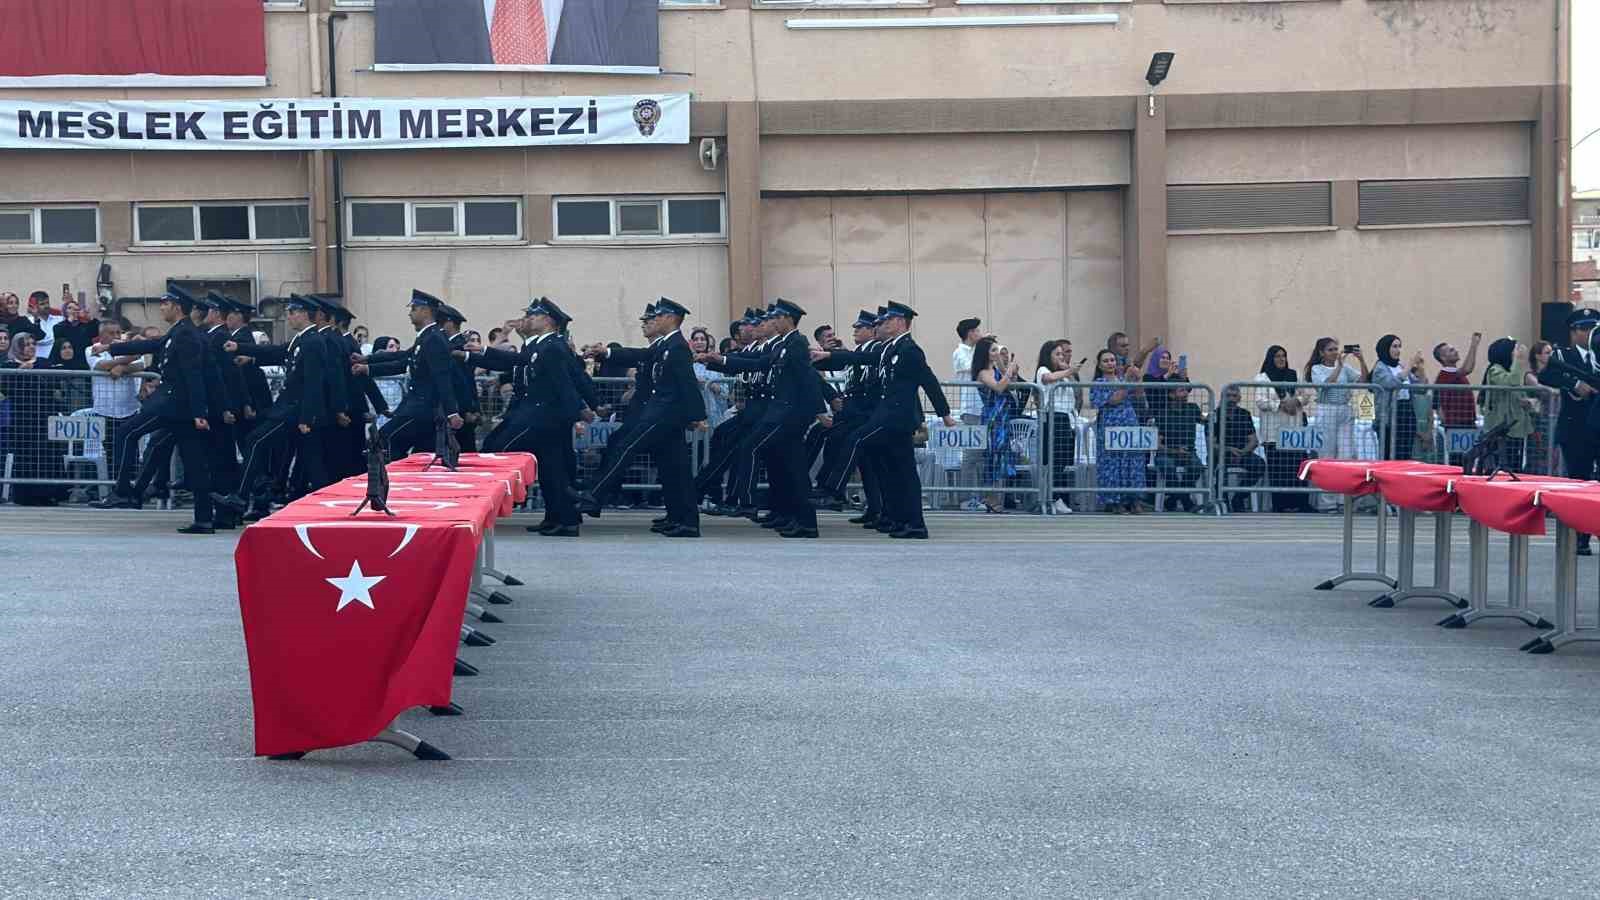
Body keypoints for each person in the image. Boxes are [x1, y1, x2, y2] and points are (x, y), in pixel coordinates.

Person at [814, 301, 955, 539]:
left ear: (901, 323)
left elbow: (929, 381)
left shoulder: (910, 350)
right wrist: (826, 355)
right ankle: (900, 519)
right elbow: (860, 359)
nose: (883, 324)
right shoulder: (889, 348)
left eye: (888, 320)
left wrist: (945, 414)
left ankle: (832, 489)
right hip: (886, 415)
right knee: (895, 471)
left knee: (858, 441)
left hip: (896, 418)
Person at [88, 286, 216, 533]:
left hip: (174, 403)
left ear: (177, 307)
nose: (162, 307)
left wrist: (200, 412)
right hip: (179, 406)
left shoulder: (186, 334)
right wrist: (110, 347)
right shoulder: (179, 332)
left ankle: (123, 492)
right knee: (193, 461)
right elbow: (153, 344)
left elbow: (194, 376)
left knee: (126, 431)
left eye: (166, 303)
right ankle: (203, 519)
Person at [579, 298, 707, 536]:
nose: (654, 320)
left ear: (670, 319)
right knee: (674, 469)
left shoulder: (677, 346)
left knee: (627, 447)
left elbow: (688, 384)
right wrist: (606, 352)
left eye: (659, 316)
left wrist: (698, 416)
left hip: (665, 414)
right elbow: (637, 354)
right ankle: (684, 520)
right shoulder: (664, 345)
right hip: (662, 414)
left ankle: (593, 494)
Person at [698, 298, 822, 538]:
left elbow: (809, 379)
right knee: (788, 468)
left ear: (787, 319)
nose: (772, 321)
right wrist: (721, 360)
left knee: (754, 449)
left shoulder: (797, 343)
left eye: (776, 317)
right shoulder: (781, 345)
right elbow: (758, 363)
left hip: (789, 415)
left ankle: (745, 500)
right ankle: (794, 517)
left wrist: (817, 411)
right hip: (780, 413)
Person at [470, 298, 586, 536]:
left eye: (534, 315)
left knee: (501, 450)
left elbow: (566, 383)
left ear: (548, 321)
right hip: (537, 414)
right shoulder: (539, 346)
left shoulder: (553, 346)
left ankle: (569, 512)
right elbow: (517, 362)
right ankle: (561, 518)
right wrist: (479, 353)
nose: (528, 319)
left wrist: (578, 415)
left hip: (544, 416)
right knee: (552, 469)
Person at [211, 295, 330, 521]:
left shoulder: (313, 341)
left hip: (294, 410)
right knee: (312, 460)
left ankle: (241, 497)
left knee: (255, 440)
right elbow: (276, 352)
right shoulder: (301, 340)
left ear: (305, 314)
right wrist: (241, 349)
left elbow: (315, 383)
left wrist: (307, 417)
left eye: (292, 312)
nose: (289, 317)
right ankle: (324, 506)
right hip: (290, 408)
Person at [360, 290, 463, 459]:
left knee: (386, 438)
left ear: (425, 311)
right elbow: (402, 360)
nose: (410, 313)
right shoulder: (426, 337)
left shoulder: (434, 338)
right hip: (416, 405)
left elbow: (442, 377)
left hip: (422, 407)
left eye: (414, 309)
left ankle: (393, 480)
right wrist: (368, 364)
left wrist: (452, 412)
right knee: (422, 453)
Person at [812, 309, 884, 521]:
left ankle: (832, 487)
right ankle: (874, 509)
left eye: (860, 327)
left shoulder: (875, 350)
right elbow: (844, 361)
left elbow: (859, 367)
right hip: (854, 410)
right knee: (865, 464)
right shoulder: (862, 350)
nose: (855, 331)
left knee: (843, 440)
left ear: (872, 331)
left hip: (865, 413)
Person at [1538, 308, 1600, 553]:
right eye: (1585, 329)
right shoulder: (1562, 356)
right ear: (1574, 332)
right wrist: (1575, 384)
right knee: (1580, 483)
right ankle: (1580, 538)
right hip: (1576, 429)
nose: (1590, 333)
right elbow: (1546, 374)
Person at [1252, 345, 1314, 512]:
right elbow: (1260, 401)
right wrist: (1281, 405)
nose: (1281, 359)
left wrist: (1296, 402)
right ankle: (1281, 504)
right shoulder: (1262, 378)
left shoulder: (1294, 375)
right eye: (1277, 356)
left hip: (1295, 430)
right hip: (1273, 432)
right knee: (1279, 469)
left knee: (1298, 466)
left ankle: (1301, 503)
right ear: (1270, 359)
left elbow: (1306, 394)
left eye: (1284, 356)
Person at [88, 320, 147, 485]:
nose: (116, 336)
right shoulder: (91, 349)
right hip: (104, 409)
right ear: (102, 335)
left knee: (130, 449)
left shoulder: (126, 346)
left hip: (129, 408)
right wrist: (124, 362)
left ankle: (131, 487)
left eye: (118, 332)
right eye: (112, 333)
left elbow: (141, 364)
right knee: (111, 450)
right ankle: (115, 486)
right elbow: (100, 365)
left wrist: (122, 368)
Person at [1090, 349, 1145, 514]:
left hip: (1130, 424)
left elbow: (1139, 394)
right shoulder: (1098, 383)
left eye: (1112, 360)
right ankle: (1114, 501)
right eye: (1106, 361)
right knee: (1112, 463)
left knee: (1133, 462)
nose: (1110, 363)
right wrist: (1127, 380)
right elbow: (1114, 400)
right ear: (1099, 365)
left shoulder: (1123, 379)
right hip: (1110, 426)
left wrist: (1137, 377)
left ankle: (1134, 500)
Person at [971, 337, 1020, 514]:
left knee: (1003, 457)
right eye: (993, 351)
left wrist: (1009, 370)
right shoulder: (983, 372)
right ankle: (990, 497)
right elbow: (998, 388)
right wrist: (1008, 373)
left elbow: (1010, 385)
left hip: (1004, 417)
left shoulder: (996, 368)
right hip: (993, 417)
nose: (996, 354)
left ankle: (996, 497)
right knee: (993, 456)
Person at [1035, 339, 1084, 515]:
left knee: (1064, 462)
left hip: (1067, 419)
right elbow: (1047, 379)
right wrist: (1068, 370)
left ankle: (1061, 497)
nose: (1061, 357)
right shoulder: (1044, 369)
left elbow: (1076, 390)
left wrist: (1068, 371)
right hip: (1053, 417)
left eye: (1062, 354)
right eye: (1057, 354)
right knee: (1054, 461)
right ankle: (1053, 498)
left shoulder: (1063, 372)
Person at [1305, 337, 1368, 461]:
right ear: (1322, 353)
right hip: (1327, 408)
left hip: (1344, 409)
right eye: (1330, 350)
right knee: (1327, 450)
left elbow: (1363, 380)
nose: (1334, 352)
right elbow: (1327, 384)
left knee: (1347, 451)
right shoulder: (1316, 369)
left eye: (1336, 349)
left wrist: (1361, 360)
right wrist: (1339, 367)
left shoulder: (1345, 367)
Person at [1481, 337, 1536, 472]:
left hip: (1516, 427)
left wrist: (1528, 402)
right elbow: (1511, 382)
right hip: (1501, 427)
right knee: (1501, 466)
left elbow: (1518, 391)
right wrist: (1518, 361)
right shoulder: (1494, 369)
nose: (1516, 353)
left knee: (1515, 465)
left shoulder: (1513, 369)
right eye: (1514, 350)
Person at [1370, 334, 1428, 461]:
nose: (1398, 350)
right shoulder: (1380, 368)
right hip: (1390, 414)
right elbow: (1391, 384)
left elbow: (1421, 388)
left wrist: (1421, 368)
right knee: (1389, 451)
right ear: (1385, 348)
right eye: (1394, 346)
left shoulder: (1400, 367)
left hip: (1406, 412)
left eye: (1399, 346)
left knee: (1405, 451)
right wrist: (1409, 366)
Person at [1152, 384, 1206, 512]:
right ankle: (1186, 500)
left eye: (1186, 390)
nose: (1186, 393)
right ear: (1171, 395)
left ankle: (1172, 499)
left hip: (1188, 452)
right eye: (1181, 390)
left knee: (1196, 466)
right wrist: (1175, 451)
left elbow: (1206, 421)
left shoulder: (1193, 408)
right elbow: (1157, 445)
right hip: (1167, 452)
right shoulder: (1162, 413)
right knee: (1166, 465)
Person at [1431, 332, 1483, 464]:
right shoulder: (1446, 376)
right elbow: (1467, 368)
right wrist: (1474, 345)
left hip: (1466, 424)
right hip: (1457, 426)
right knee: (1461, 462)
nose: (1456, 351)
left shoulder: (1451, 375)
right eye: (1451, 350)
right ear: (1443, 358)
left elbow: (1436, 405)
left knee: (1468, 460)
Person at [1216, 386, 1266, 512]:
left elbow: (1254, 440)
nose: (1231, 399)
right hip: (1221, 453)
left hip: (1243, 452)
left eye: (1234, 396)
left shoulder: (1244, 414)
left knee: (1259, 464)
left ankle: (1239, 497)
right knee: (1218, 467)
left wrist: (1242, 453)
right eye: (1228, 396)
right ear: (1222, 398)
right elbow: (1211, 443)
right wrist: (1228, 450)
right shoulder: (1215, 415)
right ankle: (1222, 500)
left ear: (1239, 398)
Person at [690, 326, 729, 426]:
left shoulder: (715, 364)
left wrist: (711, 385)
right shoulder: (686, 364)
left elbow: (725, 392)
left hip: (714, 413)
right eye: (696, 339)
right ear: (692, 343)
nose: (699, 342)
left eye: (702, 339)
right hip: (694, 415)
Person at [1526, 340, 1555, 473]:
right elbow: (1541, 388)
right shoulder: (1530, 375)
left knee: (1553, 452)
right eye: (1547, 352)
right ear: (1537, 356)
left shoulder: (1552, 373)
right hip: (1537, 420)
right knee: (1538, 452)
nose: (1551, 355)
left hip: (1552, 417)